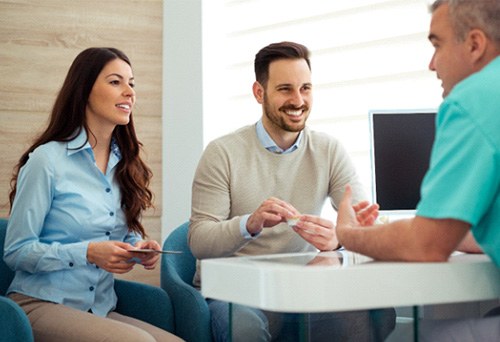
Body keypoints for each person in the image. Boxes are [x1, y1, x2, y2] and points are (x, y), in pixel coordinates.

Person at [189, 41, 395, 341]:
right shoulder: (222, 153)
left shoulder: (328, 150)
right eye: (285, 89)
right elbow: (199, 241)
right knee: (245, 328)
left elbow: (364, 221)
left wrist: (339, 238)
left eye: (306, 88)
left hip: (301, 287)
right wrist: (250, 224)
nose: (298, 100)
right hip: (237, 289)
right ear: (259, 93)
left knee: (373, 312)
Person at [336, 0, 500, 340]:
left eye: (437, 44)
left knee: (417, 336)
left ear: (474, 44)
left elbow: (426, 246)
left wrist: (348, 234)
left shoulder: (475, 98)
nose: (431, 64)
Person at [4, 47, 182, 341]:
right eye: (116, 82)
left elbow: (116, 236)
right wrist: (87, 253)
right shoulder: (46, 161)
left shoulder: (125, 164)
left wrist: (137, 249)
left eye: (132, 83)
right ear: (85, 89)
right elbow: (16, 251)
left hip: (98, 309)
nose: (129, 92)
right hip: (39, 304)